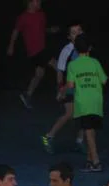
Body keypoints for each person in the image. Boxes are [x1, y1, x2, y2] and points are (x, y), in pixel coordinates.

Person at [64, 34, 105, 173]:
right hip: (96, 102)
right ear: (90, 48)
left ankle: (96, 162)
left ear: (75, 48)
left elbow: (70, 85)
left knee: (88, 133)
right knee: (91, 133)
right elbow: (104, 80)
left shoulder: (73, 65)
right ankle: (89, 161)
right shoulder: (95, 62)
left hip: (83, 103)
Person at [41, 22, 85, 151]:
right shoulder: (67, 50)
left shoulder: (86, 48)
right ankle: (48, 137)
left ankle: (80, 140)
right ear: (69, 37)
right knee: (69, 113)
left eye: (79, 31)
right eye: (73, 32)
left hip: (81, 87)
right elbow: (60, 71)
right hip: (68, 86)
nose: (77, 34)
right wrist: (61, 89)